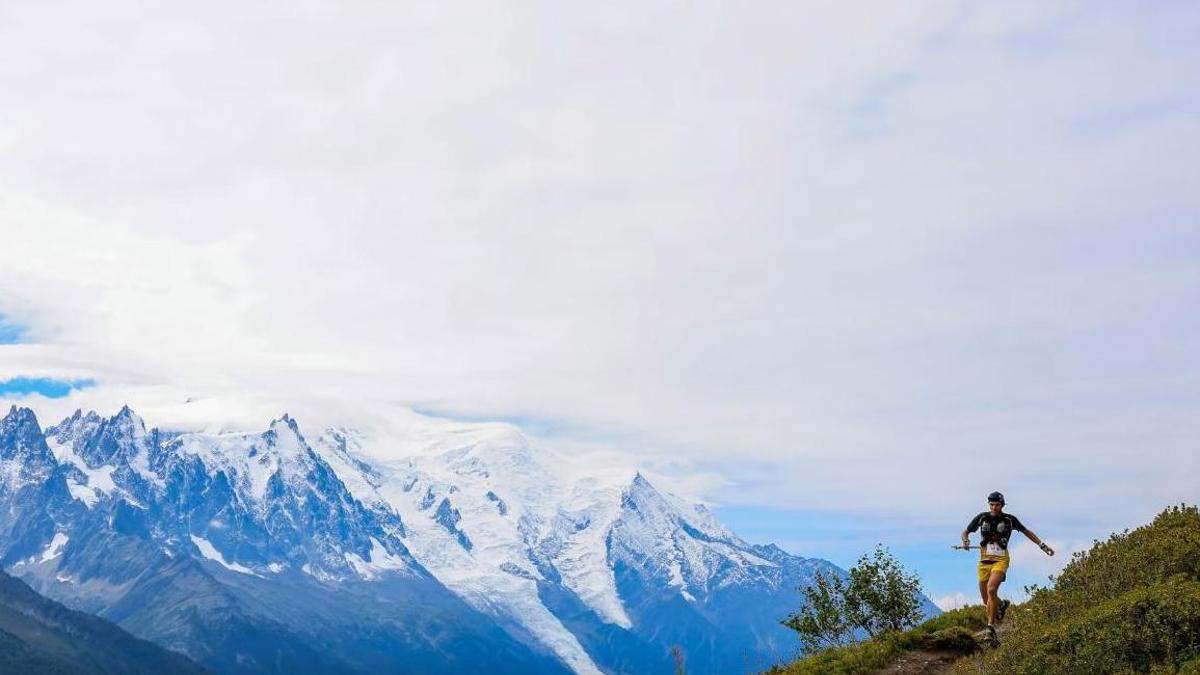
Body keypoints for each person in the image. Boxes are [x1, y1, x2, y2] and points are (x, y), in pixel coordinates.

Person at [961, 491, 1054, 642]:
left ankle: (990, 629)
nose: (994, 508)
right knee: (987, 600)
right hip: (984, 562)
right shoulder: (981, 518)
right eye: (991, 505)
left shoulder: (1009, 520)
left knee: (992, 590)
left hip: (1001, 560)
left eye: (997, 505)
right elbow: (965, 532)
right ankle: (1003, 604)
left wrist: (1042, 545)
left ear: (1002, 505)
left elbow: (1026, 532)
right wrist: (966, 541)